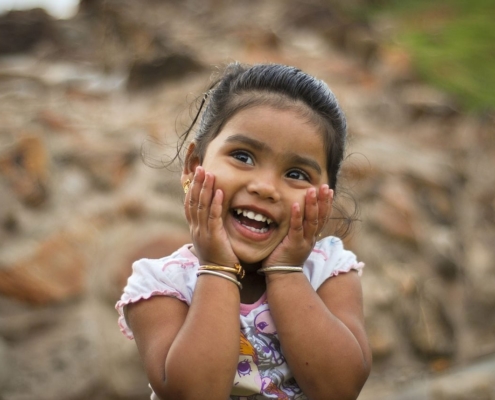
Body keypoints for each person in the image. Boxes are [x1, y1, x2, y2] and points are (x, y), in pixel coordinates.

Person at [116, 62, 372, 400]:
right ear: (195, 166)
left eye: (297, 174)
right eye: (243, 156)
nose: (265, 188)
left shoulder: (328, 272)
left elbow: (339, 389)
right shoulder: (161, 286)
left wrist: (286, 271)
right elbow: (194, 393)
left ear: (325, 199)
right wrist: (218, 267)